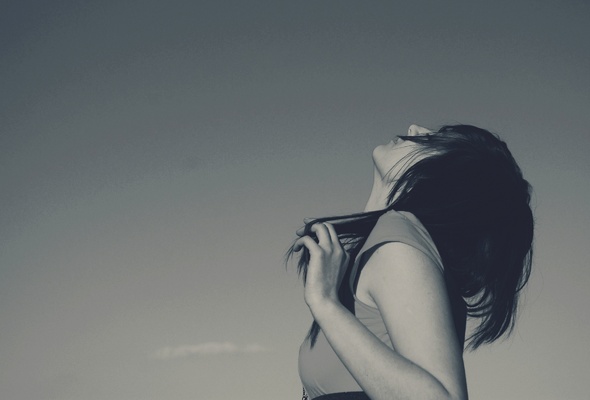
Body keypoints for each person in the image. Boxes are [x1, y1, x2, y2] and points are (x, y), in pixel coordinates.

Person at [288, 124, 534, 400]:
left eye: (431, 140)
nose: (415, 128)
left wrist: (326, 304)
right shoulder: (383, 243)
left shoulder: (399, 239)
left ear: (442, 177)